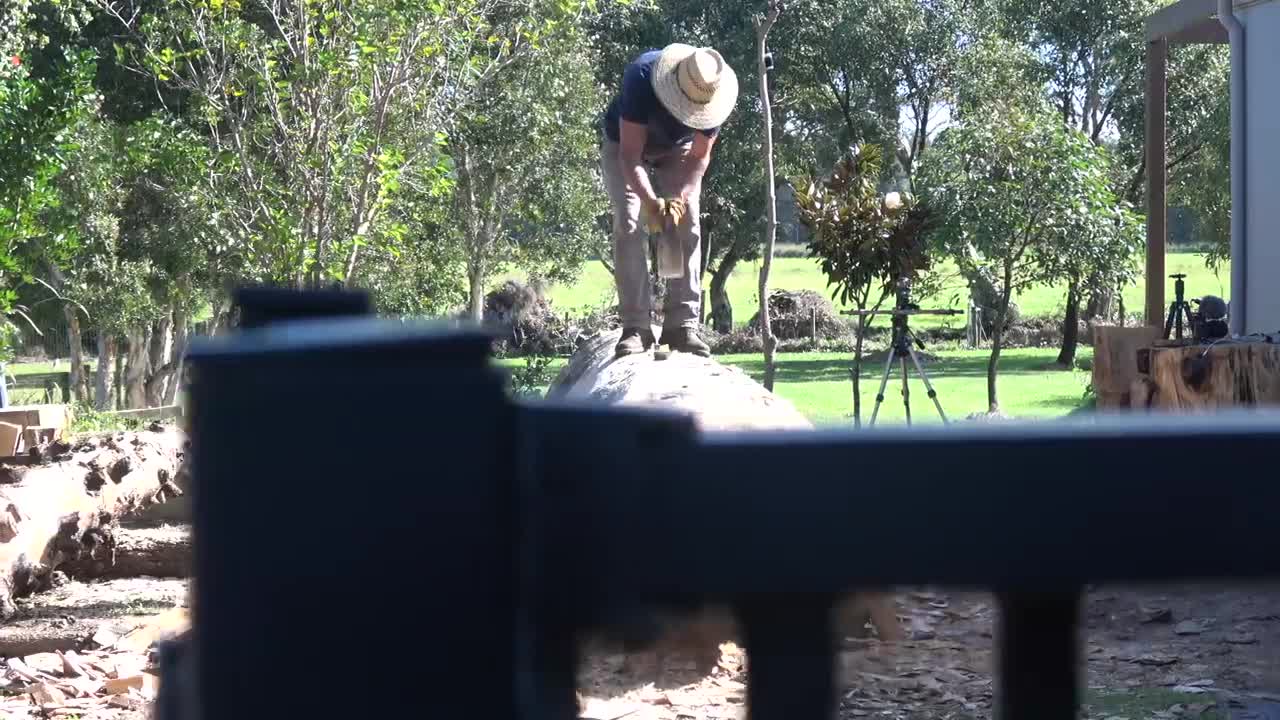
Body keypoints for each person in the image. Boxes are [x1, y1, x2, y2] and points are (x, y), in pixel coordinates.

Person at [600, 43, 739, 358]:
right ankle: (636, 327)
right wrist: (651, 201)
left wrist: (680, 198)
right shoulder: (641, 76)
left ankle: (682, 326)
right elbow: (631, 156)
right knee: (630, 222)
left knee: (688, 222)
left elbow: (700, 159)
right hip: (624, 146)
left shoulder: (715, 94)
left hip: (678, 150)